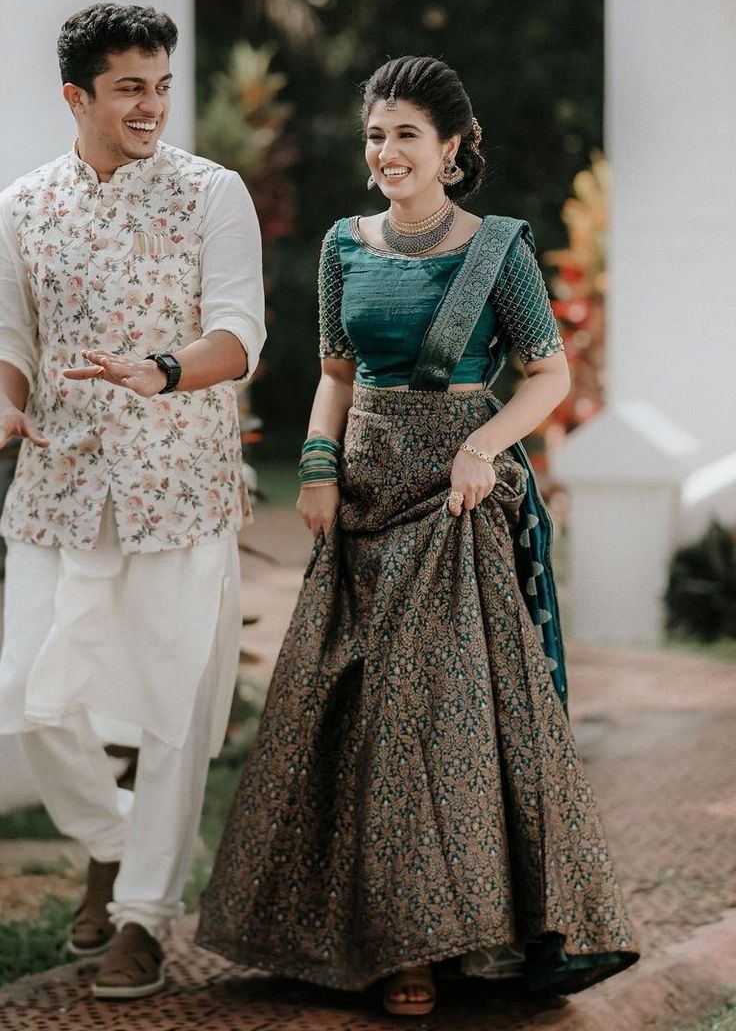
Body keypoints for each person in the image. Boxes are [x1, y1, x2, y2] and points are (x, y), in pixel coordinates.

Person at [197, 56, 637, 1017]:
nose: (386, 152)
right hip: (361, 498)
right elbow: (336, 376)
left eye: (405, 134)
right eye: (374, 135)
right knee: (349, 714)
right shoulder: (342, 246)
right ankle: (358, 936)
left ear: (450, 147)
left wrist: (484, 447)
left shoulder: (499, 249)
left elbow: (548, 376)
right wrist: (316, 464)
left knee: (433, 724)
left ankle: (442, 948)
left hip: (457, 505)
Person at [0, 3, 265, 999]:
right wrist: (6, 402)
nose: (151, 104)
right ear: (77, 95)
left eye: (159, 84)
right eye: (128, 88)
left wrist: (160, 369)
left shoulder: (210, 194)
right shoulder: (23, 204)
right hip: (58, 485)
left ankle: (144, 916)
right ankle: (108, 839)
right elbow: (10, 337)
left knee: (170, 711)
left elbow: (239, 333)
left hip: (178, 487)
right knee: (26, 694)